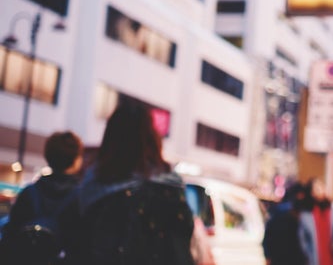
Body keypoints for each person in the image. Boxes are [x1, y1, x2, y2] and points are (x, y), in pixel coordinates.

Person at [61, 101, 195, 265]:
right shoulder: (171, 189)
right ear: (152, 138)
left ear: (109, 138)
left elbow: (75, 250)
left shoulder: (91, 190)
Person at [0, 131, 83, 264]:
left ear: (48, 156)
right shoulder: (80, 198)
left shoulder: (29, 193)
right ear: (77, 161)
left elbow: (10, 236)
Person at [263, 182, 308, 265]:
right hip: (291, 257)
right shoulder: (297, 213)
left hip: (278, 257)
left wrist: (268, 256)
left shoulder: (278, 211)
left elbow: (268, 235)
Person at [297, 177, 333, 265]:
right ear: (311, 192)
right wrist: (309, 254)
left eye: (322, 187)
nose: (321, 191)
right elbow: (302, 239)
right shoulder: (306, 215)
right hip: (315, 259)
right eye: (317, 188)